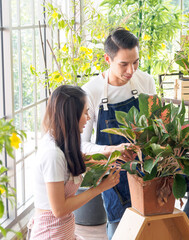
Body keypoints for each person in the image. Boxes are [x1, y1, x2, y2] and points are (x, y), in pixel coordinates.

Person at [81, 28, 189, 239]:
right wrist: (112, 149)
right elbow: (81, 146)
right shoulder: (91, 91)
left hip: (153, 164)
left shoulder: (144, 81)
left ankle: (186, 234)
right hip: (117, 170)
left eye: (136, 62)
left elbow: (159, 125)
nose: (131, 70)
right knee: (121, 230)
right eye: (124, 64)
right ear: (107, 59)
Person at [28, 85, 120, 240]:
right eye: (85, 113)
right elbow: (59, 209)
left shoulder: (60, 142)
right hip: (51, 233)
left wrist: (113, 153)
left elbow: (79, 160)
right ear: (72, 116)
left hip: (62, 230)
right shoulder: (53, 155)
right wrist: (100, 188)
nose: (89, 118)